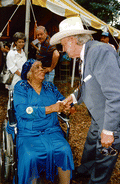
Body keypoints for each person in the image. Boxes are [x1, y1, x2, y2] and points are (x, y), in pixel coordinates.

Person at [50, 16, 120, 184]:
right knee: (91, 143)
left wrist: (109, 130)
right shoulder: (87, 52)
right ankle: (86, 169)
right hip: (99, 114)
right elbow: (88, 82)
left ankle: (96, 180)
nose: (63, 50)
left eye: (63, 45)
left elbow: (115, 94)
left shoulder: (99, 52)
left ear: (72, 40)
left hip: (111, 118)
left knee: (105, 155)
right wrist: (73, 97)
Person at [13, 59, 74, 184]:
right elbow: (23, 111)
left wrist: (67, 106)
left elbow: (62, 100)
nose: (42, 69)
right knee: (31, 156)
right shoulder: (21, 87)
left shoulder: (50, 86)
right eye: (37, 67)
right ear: (29, 73)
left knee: (64, 150)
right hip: (29, 132)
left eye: (42, 67)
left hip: (52, 130)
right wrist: (50, 108)